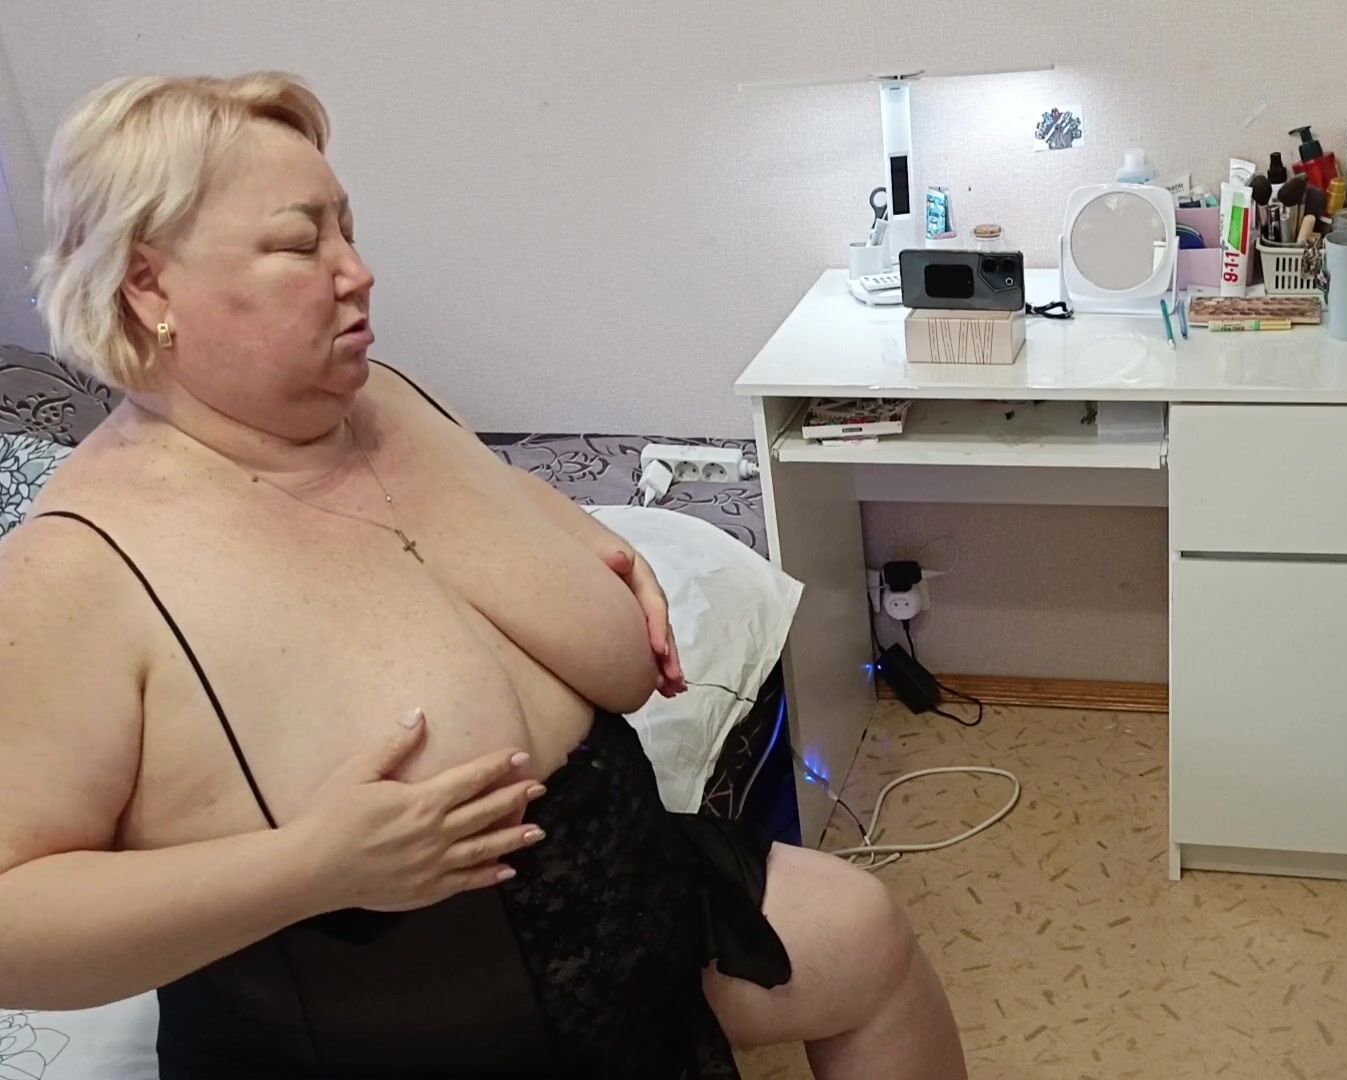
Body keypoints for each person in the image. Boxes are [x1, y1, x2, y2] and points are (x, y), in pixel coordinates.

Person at [0, 72, 965, 1079]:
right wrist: (308, 868)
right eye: (299, 244)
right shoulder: (76, 570)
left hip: (626, 889)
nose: (357, 272)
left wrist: (592, 541)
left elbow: (482, 495)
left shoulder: (378, 398)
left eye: (347, 231)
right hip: (403, 1022)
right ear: (149, 287)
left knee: (862, 932)